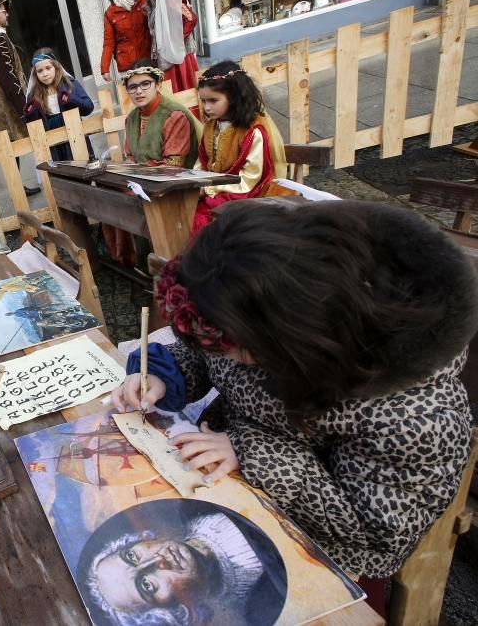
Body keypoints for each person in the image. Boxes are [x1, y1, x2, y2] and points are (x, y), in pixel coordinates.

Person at [110, 200, 478, 616]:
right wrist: (163, 374)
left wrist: (249, 451)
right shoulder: (263, 318)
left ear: (295, 342)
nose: (228, 357)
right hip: (236, 491)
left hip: (326, 551)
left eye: (238, 350)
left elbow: (370, 530)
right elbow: (212, 355)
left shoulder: (414, 417)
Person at [78, 499, 285, 626]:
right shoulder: (264, 603)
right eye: (147, 585)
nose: (157, 561)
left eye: (132, 556)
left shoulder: (195, 504)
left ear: (142, 539)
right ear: (177, 611)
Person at [103, 60, 201, 268]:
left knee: (128, 197)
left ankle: (157, 264)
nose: (139, 91)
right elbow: (131, 158)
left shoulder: (174, 115)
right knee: (105, 191)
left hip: (173, 184)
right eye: (133, 86)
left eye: (145, 84)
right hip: (144, 181)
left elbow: (173, 167)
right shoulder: (132, 118)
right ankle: (129, 261)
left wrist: (137, 179)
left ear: (157, 84)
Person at [192, 61, 287, 232]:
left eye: (213, 100)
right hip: (215, 188)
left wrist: (208, 188)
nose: (206, 107)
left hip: (243, 192)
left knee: (201, 219)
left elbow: (250, 178)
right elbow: (203, 161)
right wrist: (194, 183)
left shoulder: (252, 131)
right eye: (203, 101)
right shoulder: (210, 126)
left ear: (234, 97)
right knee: (180, 210)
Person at [0, 0, 40, 196]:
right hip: (5, 107)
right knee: (13, 148)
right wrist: (25, 108)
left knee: (10, 150)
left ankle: (18, 189)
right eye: (4, 11)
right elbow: (8, 79)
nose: (7, 14)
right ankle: (18, 190)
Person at [22, 48, 95, 161]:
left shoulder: (70, 84)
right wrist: (30, 113)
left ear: (56, 67)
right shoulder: (34, 95)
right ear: (35, 74)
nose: (45, 74)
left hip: (73, 133)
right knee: (60, 173)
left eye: (48, 68)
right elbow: (32, 126)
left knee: (80, 166)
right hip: (51, 140)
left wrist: (71, 99)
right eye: (40, 71)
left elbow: (88, 107)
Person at [142, 0, 200, 93]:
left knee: (185, 91)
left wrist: (175, 41)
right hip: (166, 58)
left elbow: (191, 19)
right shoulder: (152, 5)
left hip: (180, 57)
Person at [101, 0, 150, 83]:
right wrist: (105, 68)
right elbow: (109, 43)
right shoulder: (110, 13)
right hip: (128, 65)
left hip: (147, 58)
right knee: (133, 99)